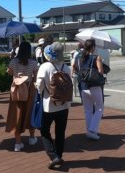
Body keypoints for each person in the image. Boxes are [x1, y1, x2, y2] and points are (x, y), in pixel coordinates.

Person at [35, 42, 71, 170]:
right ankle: (59, 155)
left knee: (44, 130)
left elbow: (39, 87)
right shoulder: (66, 67)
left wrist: (37, 87)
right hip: (64, 105)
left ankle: (53, 155)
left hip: (49, 105)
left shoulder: (45, 66)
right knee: (60, 132)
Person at [5, 41, 39, 152]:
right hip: (29, 90)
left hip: (16, 90)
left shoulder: (13, 61)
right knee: (29, 113)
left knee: (17, 115)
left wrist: (16, 73)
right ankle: (32, 138)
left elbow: (9, 72)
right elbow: (36, 77)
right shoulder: (33, 62)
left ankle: (18, 143)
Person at [77, 39, 104, 141]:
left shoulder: (80, 57)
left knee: (88, 110)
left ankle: (89, 131)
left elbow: (78, 69)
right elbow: (100, 72)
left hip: (83, 86)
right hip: (94, 86)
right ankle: (92, 130)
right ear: (93, 47)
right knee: (99, 108)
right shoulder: (96, 57)